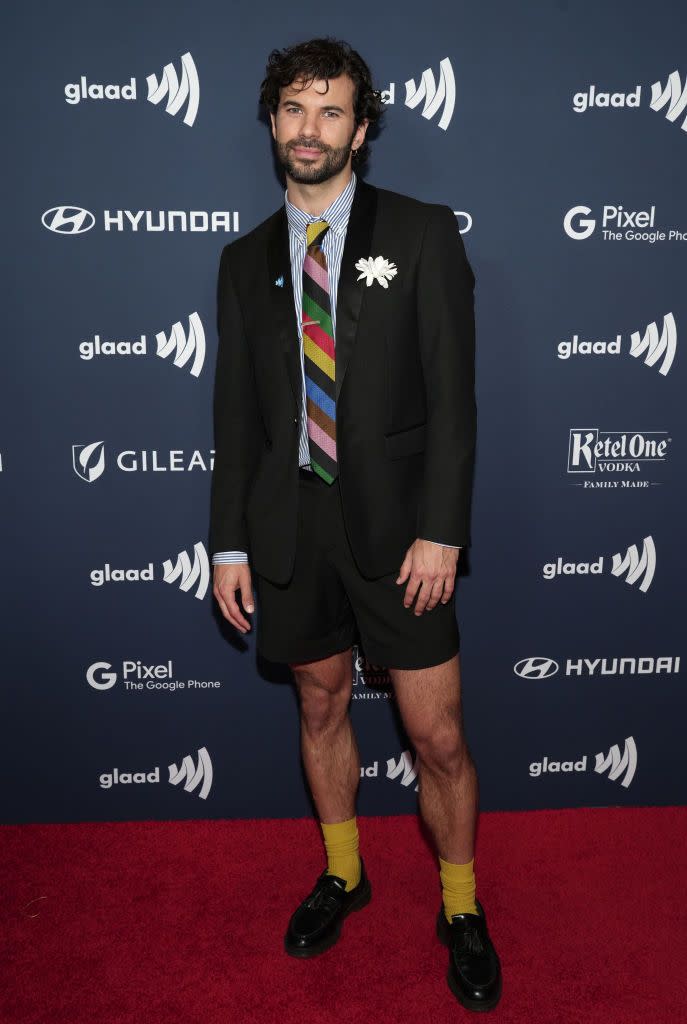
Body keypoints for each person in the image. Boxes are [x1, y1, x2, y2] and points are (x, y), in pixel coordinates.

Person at [209, 36, 501, 1012]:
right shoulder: (244, 261)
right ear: (274, 125)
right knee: (320, 707)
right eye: (294, 109)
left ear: (361, 130)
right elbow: (236, 416)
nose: (309, 128)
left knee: (440, 736)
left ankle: (460, 903)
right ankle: (345, 872)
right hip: (291, 528)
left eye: (330, 110)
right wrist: (230, 540)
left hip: (401, 537)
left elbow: (454, 403)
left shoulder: (419, 234)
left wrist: (443, 529)